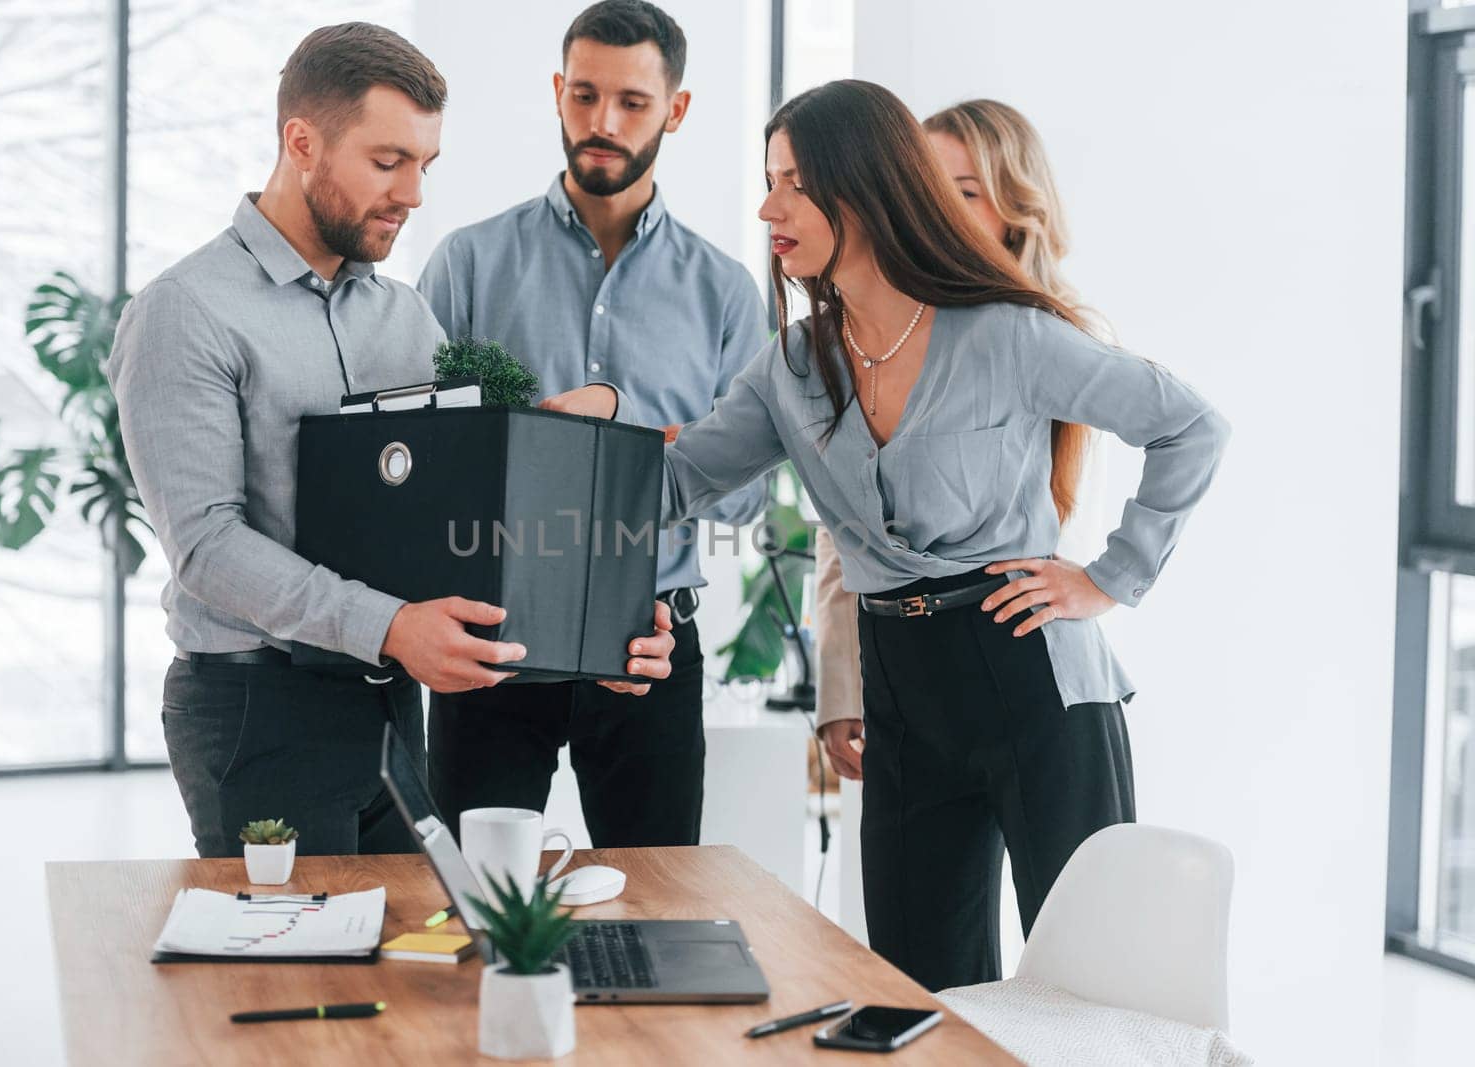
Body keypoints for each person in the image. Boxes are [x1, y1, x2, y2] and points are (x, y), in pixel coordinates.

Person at [560, 79, 1230, 991]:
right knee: (923, 987)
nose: (768, 206)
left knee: (1091, 982)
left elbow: (1189, 424)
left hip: (1030, 671)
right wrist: (580, 434)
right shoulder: (791, 369)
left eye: (793, 181)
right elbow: (675, 483)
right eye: (769, 180)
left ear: (865, 188)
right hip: (903, 685)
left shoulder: (1007, 335)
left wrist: (1112, 577)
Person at [108, 22, 674, 860]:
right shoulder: (185, 311)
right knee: (302, 981)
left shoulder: (404, 316)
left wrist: (596, 629)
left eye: (425, 166)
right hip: (259, 712)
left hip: (391, 711)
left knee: (406, 973)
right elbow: (206, 546)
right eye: (387, 162)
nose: (412, 194)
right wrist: (390, 626)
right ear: (301, 142)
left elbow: (459, 506)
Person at [417, 0, 768, 849]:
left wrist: (617, 429)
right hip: (490, 643)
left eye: (632, 103)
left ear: (675, 111)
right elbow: (422, 461)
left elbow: (745, 500)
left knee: (660, 909)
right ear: (557, 92)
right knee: (471, 901)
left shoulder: (725, 294)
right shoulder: (467, 263)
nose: (601, 123)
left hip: (650, 649)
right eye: (583, 96)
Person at [813, 99, 1107, 833]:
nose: (939, 212)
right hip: (914, 675)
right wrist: (841, 689)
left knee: (1079, 935)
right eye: (930, 191)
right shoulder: (882, 337)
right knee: (918, 946)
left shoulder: (1060, 340)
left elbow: (1087, 517)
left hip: (1032, 662)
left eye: (966, 193)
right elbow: (847, 527)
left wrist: (1105, 582)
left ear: (1015, 209)